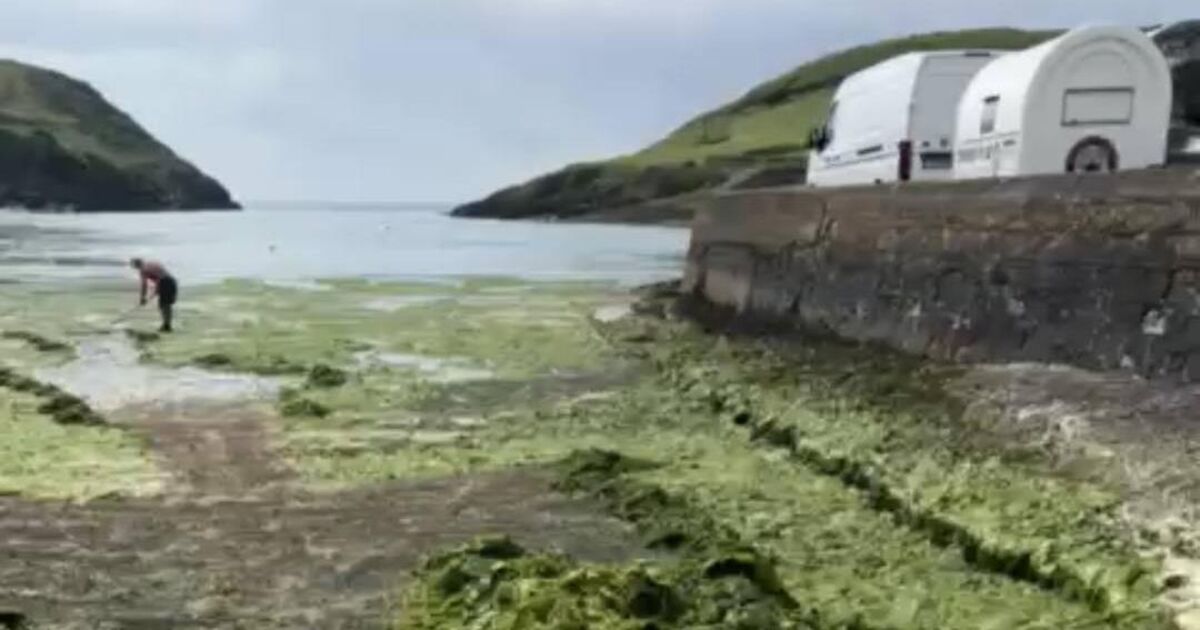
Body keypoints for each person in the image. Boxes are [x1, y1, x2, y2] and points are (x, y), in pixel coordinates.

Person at [131, 258, 178, 332]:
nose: (136, 269)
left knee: (163, 305)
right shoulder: (152, 264)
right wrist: (157, 289)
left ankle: (166, 325)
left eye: (134, 267)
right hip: (172, 281)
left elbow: (144, 285)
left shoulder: (143, 269)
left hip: (164, 282)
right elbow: (160, 276)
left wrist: (142, 298)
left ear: (137, 265)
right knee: (167, 305)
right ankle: (167, 325)